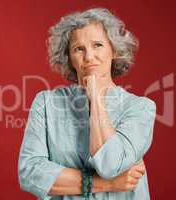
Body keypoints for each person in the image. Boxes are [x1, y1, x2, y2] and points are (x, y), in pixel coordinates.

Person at [18, 8, 156, 200]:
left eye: (97, 45)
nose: (89, 57)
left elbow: (110, 164)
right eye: (79, 49)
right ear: (69, 58)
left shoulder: (141, 108)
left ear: (114, 50)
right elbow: (30, 173)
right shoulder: (46, 103)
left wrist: (96, 97)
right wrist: (105, 184)